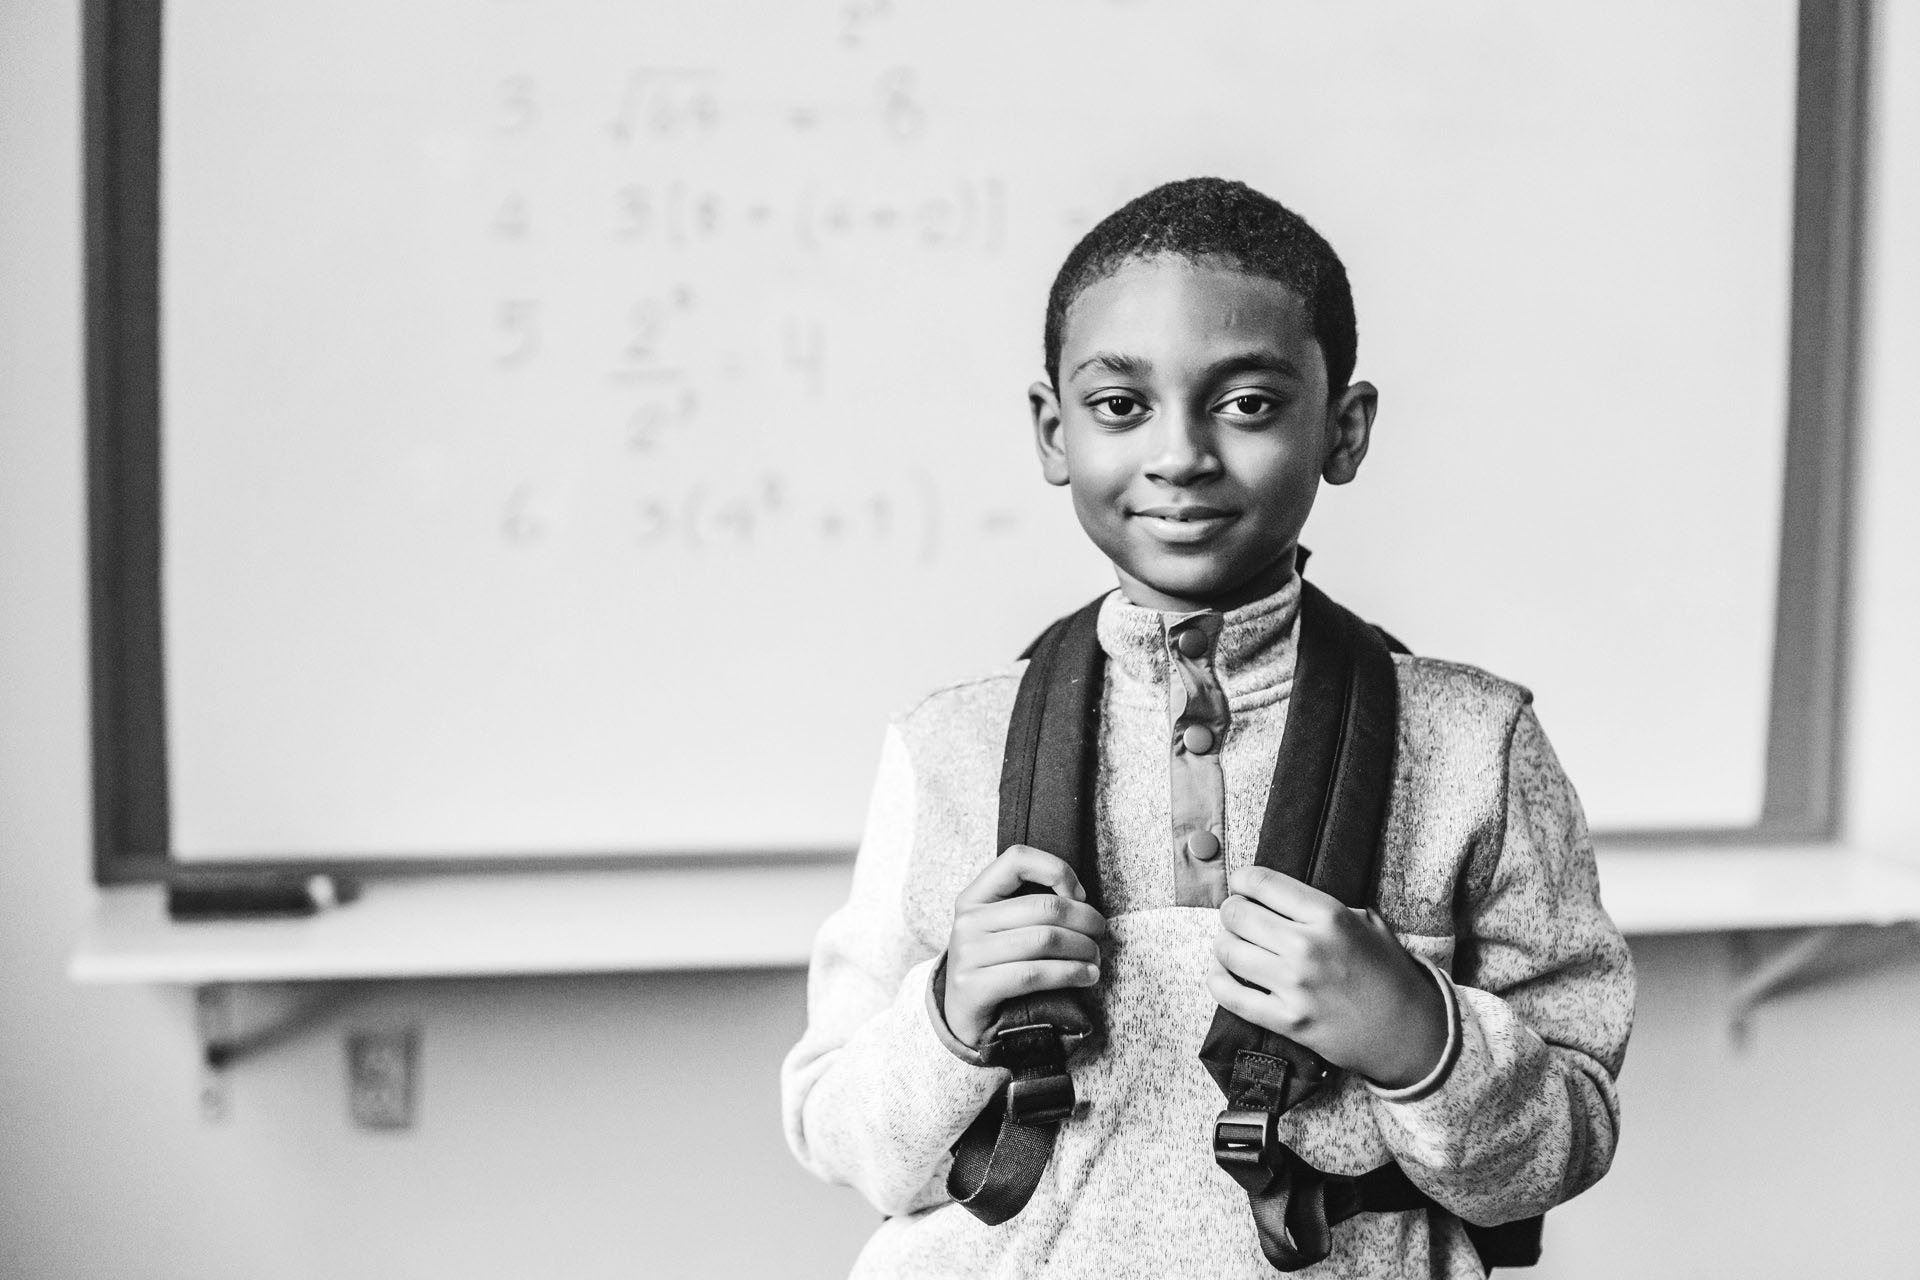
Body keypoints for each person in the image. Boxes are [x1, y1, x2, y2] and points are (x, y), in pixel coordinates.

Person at [781, 177, 1634, 1278]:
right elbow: (843, 1134)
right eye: (1121, 406)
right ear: (1053, 431)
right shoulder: (950, 745)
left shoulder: (1478, 742)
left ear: (1345, 427)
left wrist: (1421, 1036)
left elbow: (1567, 1140)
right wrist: (947, 1013)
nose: (1179, 454)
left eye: (1246, 403)